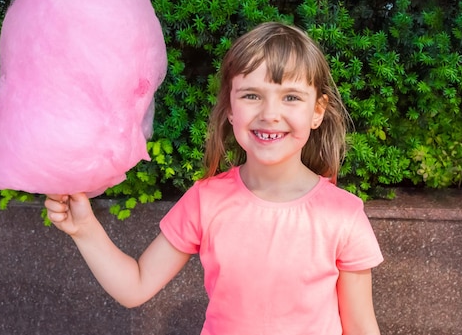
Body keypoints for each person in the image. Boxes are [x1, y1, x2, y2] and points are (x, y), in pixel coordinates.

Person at [45, 22, 383, 335]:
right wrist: (84, 229)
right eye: (251, 95)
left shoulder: (343, 215)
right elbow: (135, 286)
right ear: (231, 109)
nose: (269, 114)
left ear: (317, 111)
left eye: (291, 97)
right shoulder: (205, 201)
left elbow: (360, 326)